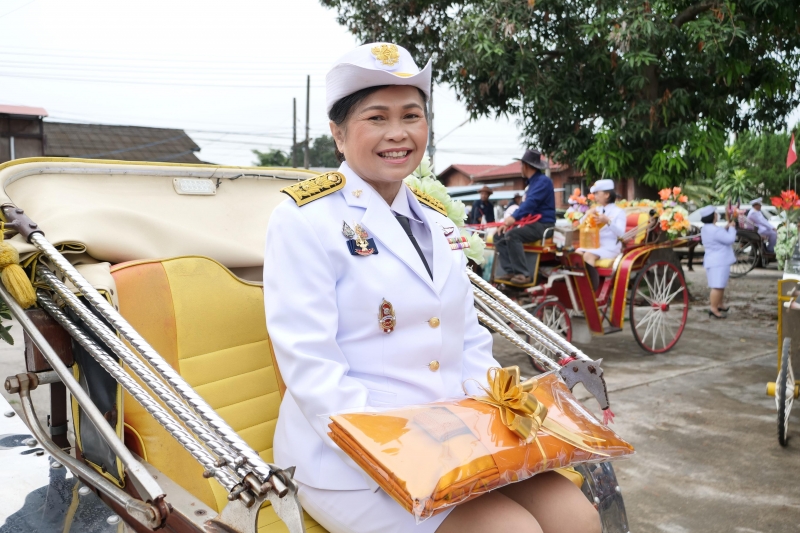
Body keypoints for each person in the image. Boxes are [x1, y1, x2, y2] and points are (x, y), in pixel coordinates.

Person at [263, 42, 600, 533]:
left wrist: (504, 412)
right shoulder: (304, 220)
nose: (397, 133)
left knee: (579, 517)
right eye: (376, 118)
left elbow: (468, 341)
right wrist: (408, 449)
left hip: (457, 435)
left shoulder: (437, 220)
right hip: (353, 456)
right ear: (338, 133)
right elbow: (312, 369)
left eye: (411, 115)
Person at [494, 150, 556, 285]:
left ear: (526, 166)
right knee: (498, 236)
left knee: (512, 235)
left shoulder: (543, 181)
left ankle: (522, 274)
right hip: (532, 224)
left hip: (543, 225)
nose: (521, 168)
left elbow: (530, 203)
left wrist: (513, 218)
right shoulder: (532, 184)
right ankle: (510, 270)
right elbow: (525, 205)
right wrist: (511, 221)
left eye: (521, 165)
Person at [575, 179, 626, 267]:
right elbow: (581, 224)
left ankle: (589, 276)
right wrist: (587, 214)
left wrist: (608, 222)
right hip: (594, 245)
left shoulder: (619, 212)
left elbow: (621, 234)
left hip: (610, 247)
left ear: (607, 195)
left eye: (597, 193)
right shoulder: (596, 209)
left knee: (588, 255)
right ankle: (579, 276)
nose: (594, 197)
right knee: (577, 254)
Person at [699, 205, 736, 318]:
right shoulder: (715, 230)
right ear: (713, 217)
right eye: (715, 214)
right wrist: (732, 228)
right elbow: (730, 239)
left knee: (720, 284)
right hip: (719, 261)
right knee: (717, 286)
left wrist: (726, 227)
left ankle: (719, 304)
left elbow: (719, 235)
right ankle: (714, 308)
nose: (717, 215)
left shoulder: (706, 228)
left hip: (713, 260)